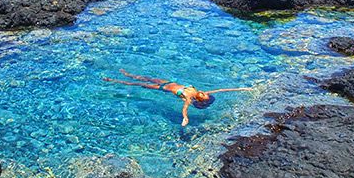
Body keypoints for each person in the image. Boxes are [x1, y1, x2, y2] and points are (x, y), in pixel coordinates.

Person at [104, 69, 252, 126]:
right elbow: (222, 89)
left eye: (205, 95)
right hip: (167, 82)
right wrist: (242, 88)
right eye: (206, 93)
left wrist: (185, 118)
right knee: (146, 77)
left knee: (138, 84)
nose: (205, 93)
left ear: (201, 99)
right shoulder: (197, 91)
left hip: (164, 88)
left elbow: (185, 109)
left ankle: (114, 81)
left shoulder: (189, 97)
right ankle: (127, 73)